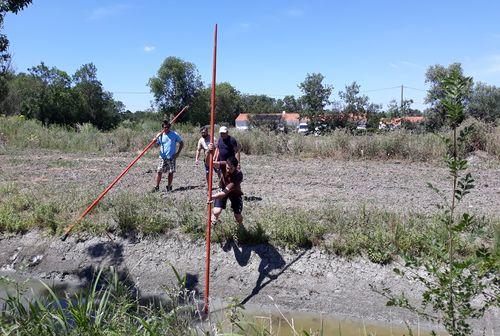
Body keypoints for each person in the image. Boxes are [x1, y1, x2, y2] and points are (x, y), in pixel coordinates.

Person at [209, 155, 243, 226]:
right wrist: (208, 151)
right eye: (227, 168)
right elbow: (209, 163)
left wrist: (212, 197)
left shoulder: (238, 175)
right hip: (223, 188)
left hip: (235, 193)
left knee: (237, 216)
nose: (228, 170)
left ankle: (240, 226)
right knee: (216, 212)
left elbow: (224, 193)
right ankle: (212, 225)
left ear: (236, 167)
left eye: (231, 169)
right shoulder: (224, 164)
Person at [152, 120, 184, 192]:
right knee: (159, 171)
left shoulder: (174, 134)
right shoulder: (160, 135)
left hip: (171, 157)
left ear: (169, 127)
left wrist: (177, 153)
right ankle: (157, 187)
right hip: (162, 157)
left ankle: (169, 187)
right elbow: (157, 145)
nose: (166, 128)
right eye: (164, 127)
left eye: (167, 127)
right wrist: (154, 142)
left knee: (170, 172)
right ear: (162, 127)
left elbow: (181, 143)